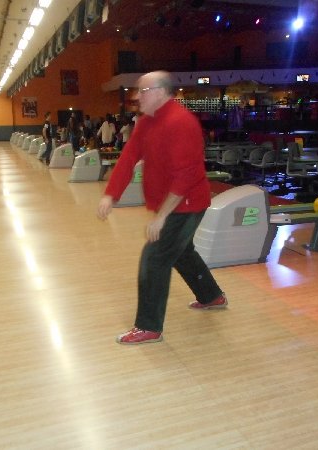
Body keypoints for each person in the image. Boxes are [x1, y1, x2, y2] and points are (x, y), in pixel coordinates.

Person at [96, 71, 226, 345]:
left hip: (187, 203)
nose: (137, 96)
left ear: (161, 92)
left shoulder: (181, 122)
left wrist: (162, 217)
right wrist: (111, 194)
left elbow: (185, 176)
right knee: (181, 252)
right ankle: (211, 296)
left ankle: (149, 326)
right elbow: (129, 156)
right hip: (173, 203)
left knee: (155, 257)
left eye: (142, 91)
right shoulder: (147, 121)